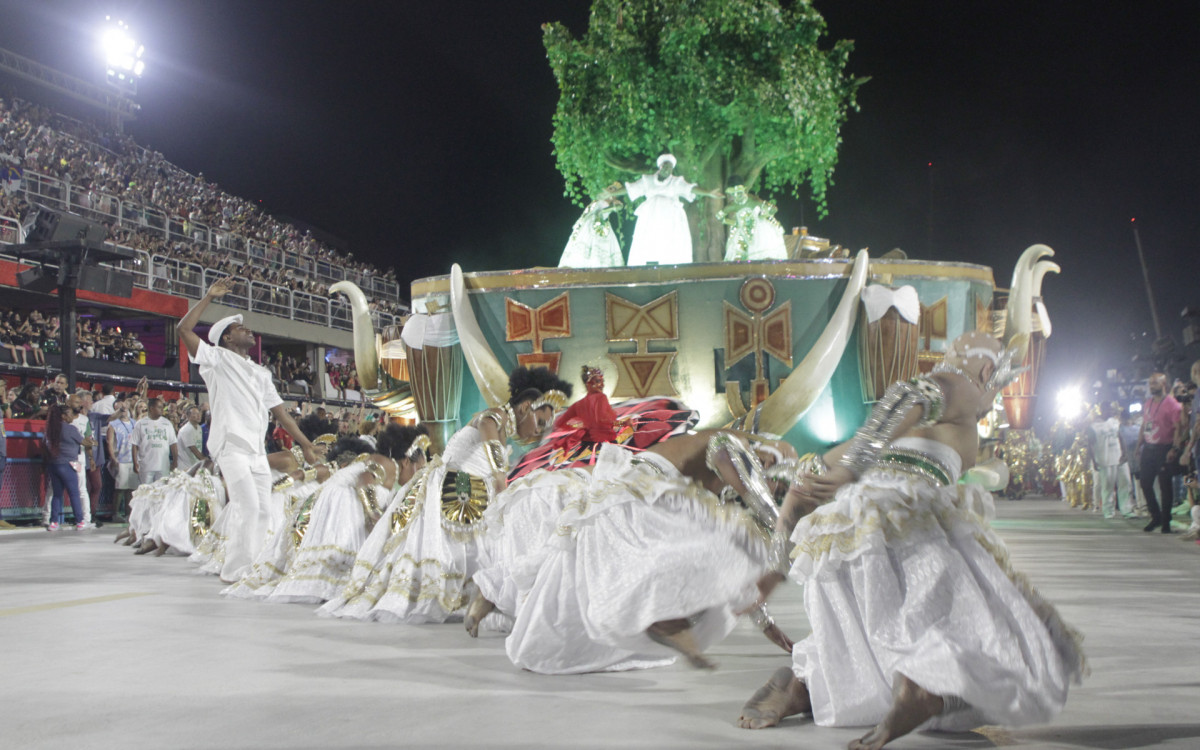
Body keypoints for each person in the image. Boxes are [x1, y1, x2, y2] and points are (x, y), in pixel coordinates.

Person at [738, 331, 1085, 749]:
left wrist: (773, 572)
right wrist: (853, 470)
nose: (995, 394)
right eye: (1000, 382)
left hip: (847, 531)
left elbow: (803, 483)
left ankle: (805, 685)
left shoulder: (931, 427)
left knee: (867, 625)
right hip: (906, 517)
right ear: (989, 370)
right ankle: (918, 687)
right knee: (968, 613)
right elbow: (910, 393)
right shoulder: (963, 386)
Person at [486, 430, 798, 673]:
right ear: (766, 446)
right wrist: (780, 522)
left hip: (644, 500)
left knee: (729, 549)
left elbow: (740, 571)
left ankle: (668, 619)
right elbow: (735, 466)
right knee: (733, 540)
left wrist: (767, 624)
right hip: (642, 492)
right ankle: (667, 619)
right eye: (771, 461)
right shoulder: (733, 442)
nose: (767, 475)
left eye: (778, 481)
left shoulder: (724, 495)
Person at [178, 277, 318, 582]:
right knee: (248, 507)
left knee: (264, 512)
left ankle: (253, 564)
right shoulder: (216, 360)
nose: (248, 331)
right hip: (231, 447)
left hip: (256, 452)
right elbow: (183, 330)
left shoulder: (261, 372)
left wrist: (306, 444)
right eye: (241, 329)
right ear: (227, 339)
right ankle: (234, 570)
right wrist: (208, 297)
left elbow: (282, 415)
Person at [615, 153, 720, 266]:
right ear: (660, 166)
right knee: (651, 241)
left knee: (671, 243)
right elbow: (630, 188)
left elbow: (691, 189)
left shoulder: (676, 182)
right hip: (651, 218)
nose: (667, 169)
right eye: (665, 166)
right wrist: (612, 193)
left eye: (670, 168)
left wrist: (708, 193)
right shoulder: (648, 180)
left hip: (671, 218)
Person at [1135, 372, 1184, 533]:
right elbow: (1145, 424)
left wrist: (1174, 448)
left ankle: (1165, 521)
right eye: (1150, 383)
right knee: (1145, 483)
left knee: (1165, 486)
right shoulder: (1148, 403)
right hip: (1148, 449)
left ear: (1163, 384)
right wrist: (1139, 444)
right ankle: (1156, 516)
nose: (1151, 386)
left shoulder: (1172, 404)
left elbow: (1179, 429)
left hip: (1164, 449)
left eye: (1154, 383)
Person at [42, 397, 95, 530]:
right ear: (64, 416)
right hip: (68, 464)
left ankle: (54, 522)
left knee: (57, 494)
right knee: (74, 493)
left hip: (54, 464)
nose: (72, 417)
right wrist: (94, 442)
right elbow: (84, 442)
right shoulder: (71, 429)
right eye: (70, 414)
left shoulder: (51, 429)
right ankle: (80, 520)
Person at [1087, 401, 1130, 518]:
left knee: (1125, 482)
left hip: (1119, 457)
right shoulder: (1093, 426)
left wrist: (1125, 453)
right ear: (1102, 410)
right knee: (1107, 486)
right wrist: (1094, 461)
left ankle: (1126, 509)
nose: (1111, 412)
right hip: (1104, 459)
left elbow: (1120, 437)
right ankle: (1108, 511)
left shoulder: (1115, 422)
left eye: (1111, 410)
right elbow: (1090, 444)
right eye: (1108, 409)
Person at [557, 196, 624, 268]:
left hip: (600, 226)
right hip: (589, 226)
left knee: (598, 252)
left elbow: (612, 209)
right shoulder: (597, 201)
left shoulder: (609, 202)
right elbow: (596, 212)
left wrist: (613, 207)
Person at [131, 397, 177, 485]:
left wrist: (175, 461)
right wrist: (135, 462)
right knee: (146, 492)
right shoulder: (140, 424)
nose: (162, 409)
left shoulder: (167, 423)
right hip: (146, 466)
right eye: (159, 407)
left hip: (163, 466)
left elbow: (173, 443)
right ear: (151, 408)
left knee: (161, 492)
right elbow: (134, 445)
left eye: (162, 407)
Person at [106, 401, 138, 521]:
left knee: (131, 489)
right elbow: (110, 442)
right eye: (120, 407)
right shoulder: (113, 424)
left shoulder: (135, 423)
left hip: (133, 459)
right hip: (121, 459)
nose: (124, 409)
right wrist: (113, 458)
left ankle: (129, 513)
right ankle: (116, 513)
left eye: (125, 406)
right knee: (120, 488)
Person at [176, 405, 205, 472]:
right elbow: (193, 449)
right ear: (188, 416)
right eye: (195, 414)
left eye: (199, 413)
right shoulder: (186, 430)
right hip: (185, 466)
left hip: (195, 465)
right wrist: (204, 460)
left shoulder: (199, 428)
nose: (198, 415)